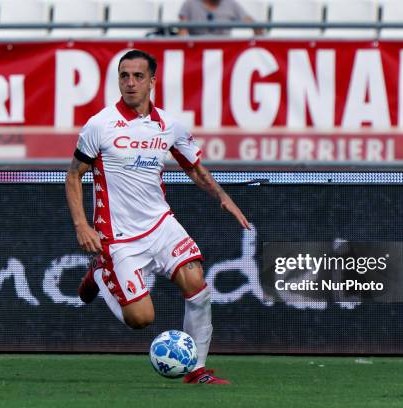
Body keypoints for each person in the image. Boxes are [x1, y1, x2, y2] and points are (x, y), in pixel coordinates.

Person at [65, 49, 250, 385]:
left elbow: (192, 166)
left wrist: (223, 196)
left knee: (198, 286)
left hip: (161, 225)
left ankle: (197, 371)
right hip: (119, 236)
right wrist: (81, 224)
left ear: (152, 81)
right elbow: (74, 175)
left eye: (138, 76)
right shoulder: (100, 125)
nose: (130, 83)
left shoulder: (169, 126)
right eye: (124, 76)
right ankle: (101, 275)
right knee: (141, 319)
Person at [178, 0, 264, 36]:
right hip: (196, 55)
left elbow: (249, 21)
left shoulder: (231, 4)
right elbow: (182, 32)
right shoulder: (189, 4)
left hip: (226, 56)